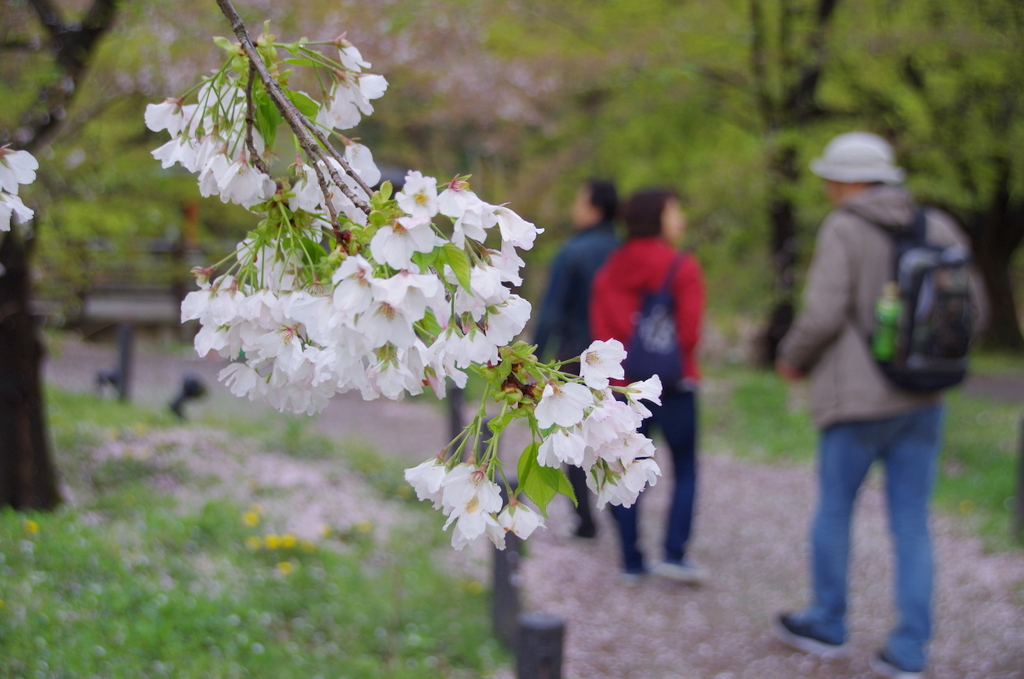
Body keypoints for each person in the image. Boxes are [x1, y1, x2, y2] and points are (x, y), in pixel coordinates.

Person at [772, 132, 986, 679]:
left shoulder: (845, 226)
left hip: (858, 403)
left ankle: (827, 620)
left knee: (836, 509)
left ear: (847, 181)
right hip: (924, 398)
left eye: (829, 178)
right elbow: (976, 310)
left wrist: (791, 357)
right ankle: (910, 649)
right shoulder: (937, 225)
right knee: (912, 522)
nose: (824, 187)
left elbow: (822, 314)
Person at [590, 188, 706, 583]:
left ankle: (631, 559)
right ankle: (674, 553)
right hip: (674, 384)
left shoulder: (609, 271)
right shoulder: (681, 266)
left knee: (624, 469)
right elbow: (689, 334)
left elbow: (602, 333)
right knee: (685, 468)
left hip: (623, 388)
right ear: (656, 217)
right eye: (675, 212)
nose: (681, 220)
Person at [533, 179, 621, 539]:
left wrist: (533, 364)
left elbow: (551, 313)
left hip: (573, 359)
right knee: (614, 432)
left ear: (594, 207)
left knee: (574, 437)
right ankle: (622, 513)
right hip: (618, 358)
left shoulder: (572, 253)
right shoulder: (623, 250)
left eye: (578, 201)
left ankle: (585, 519)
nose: (574, 208)